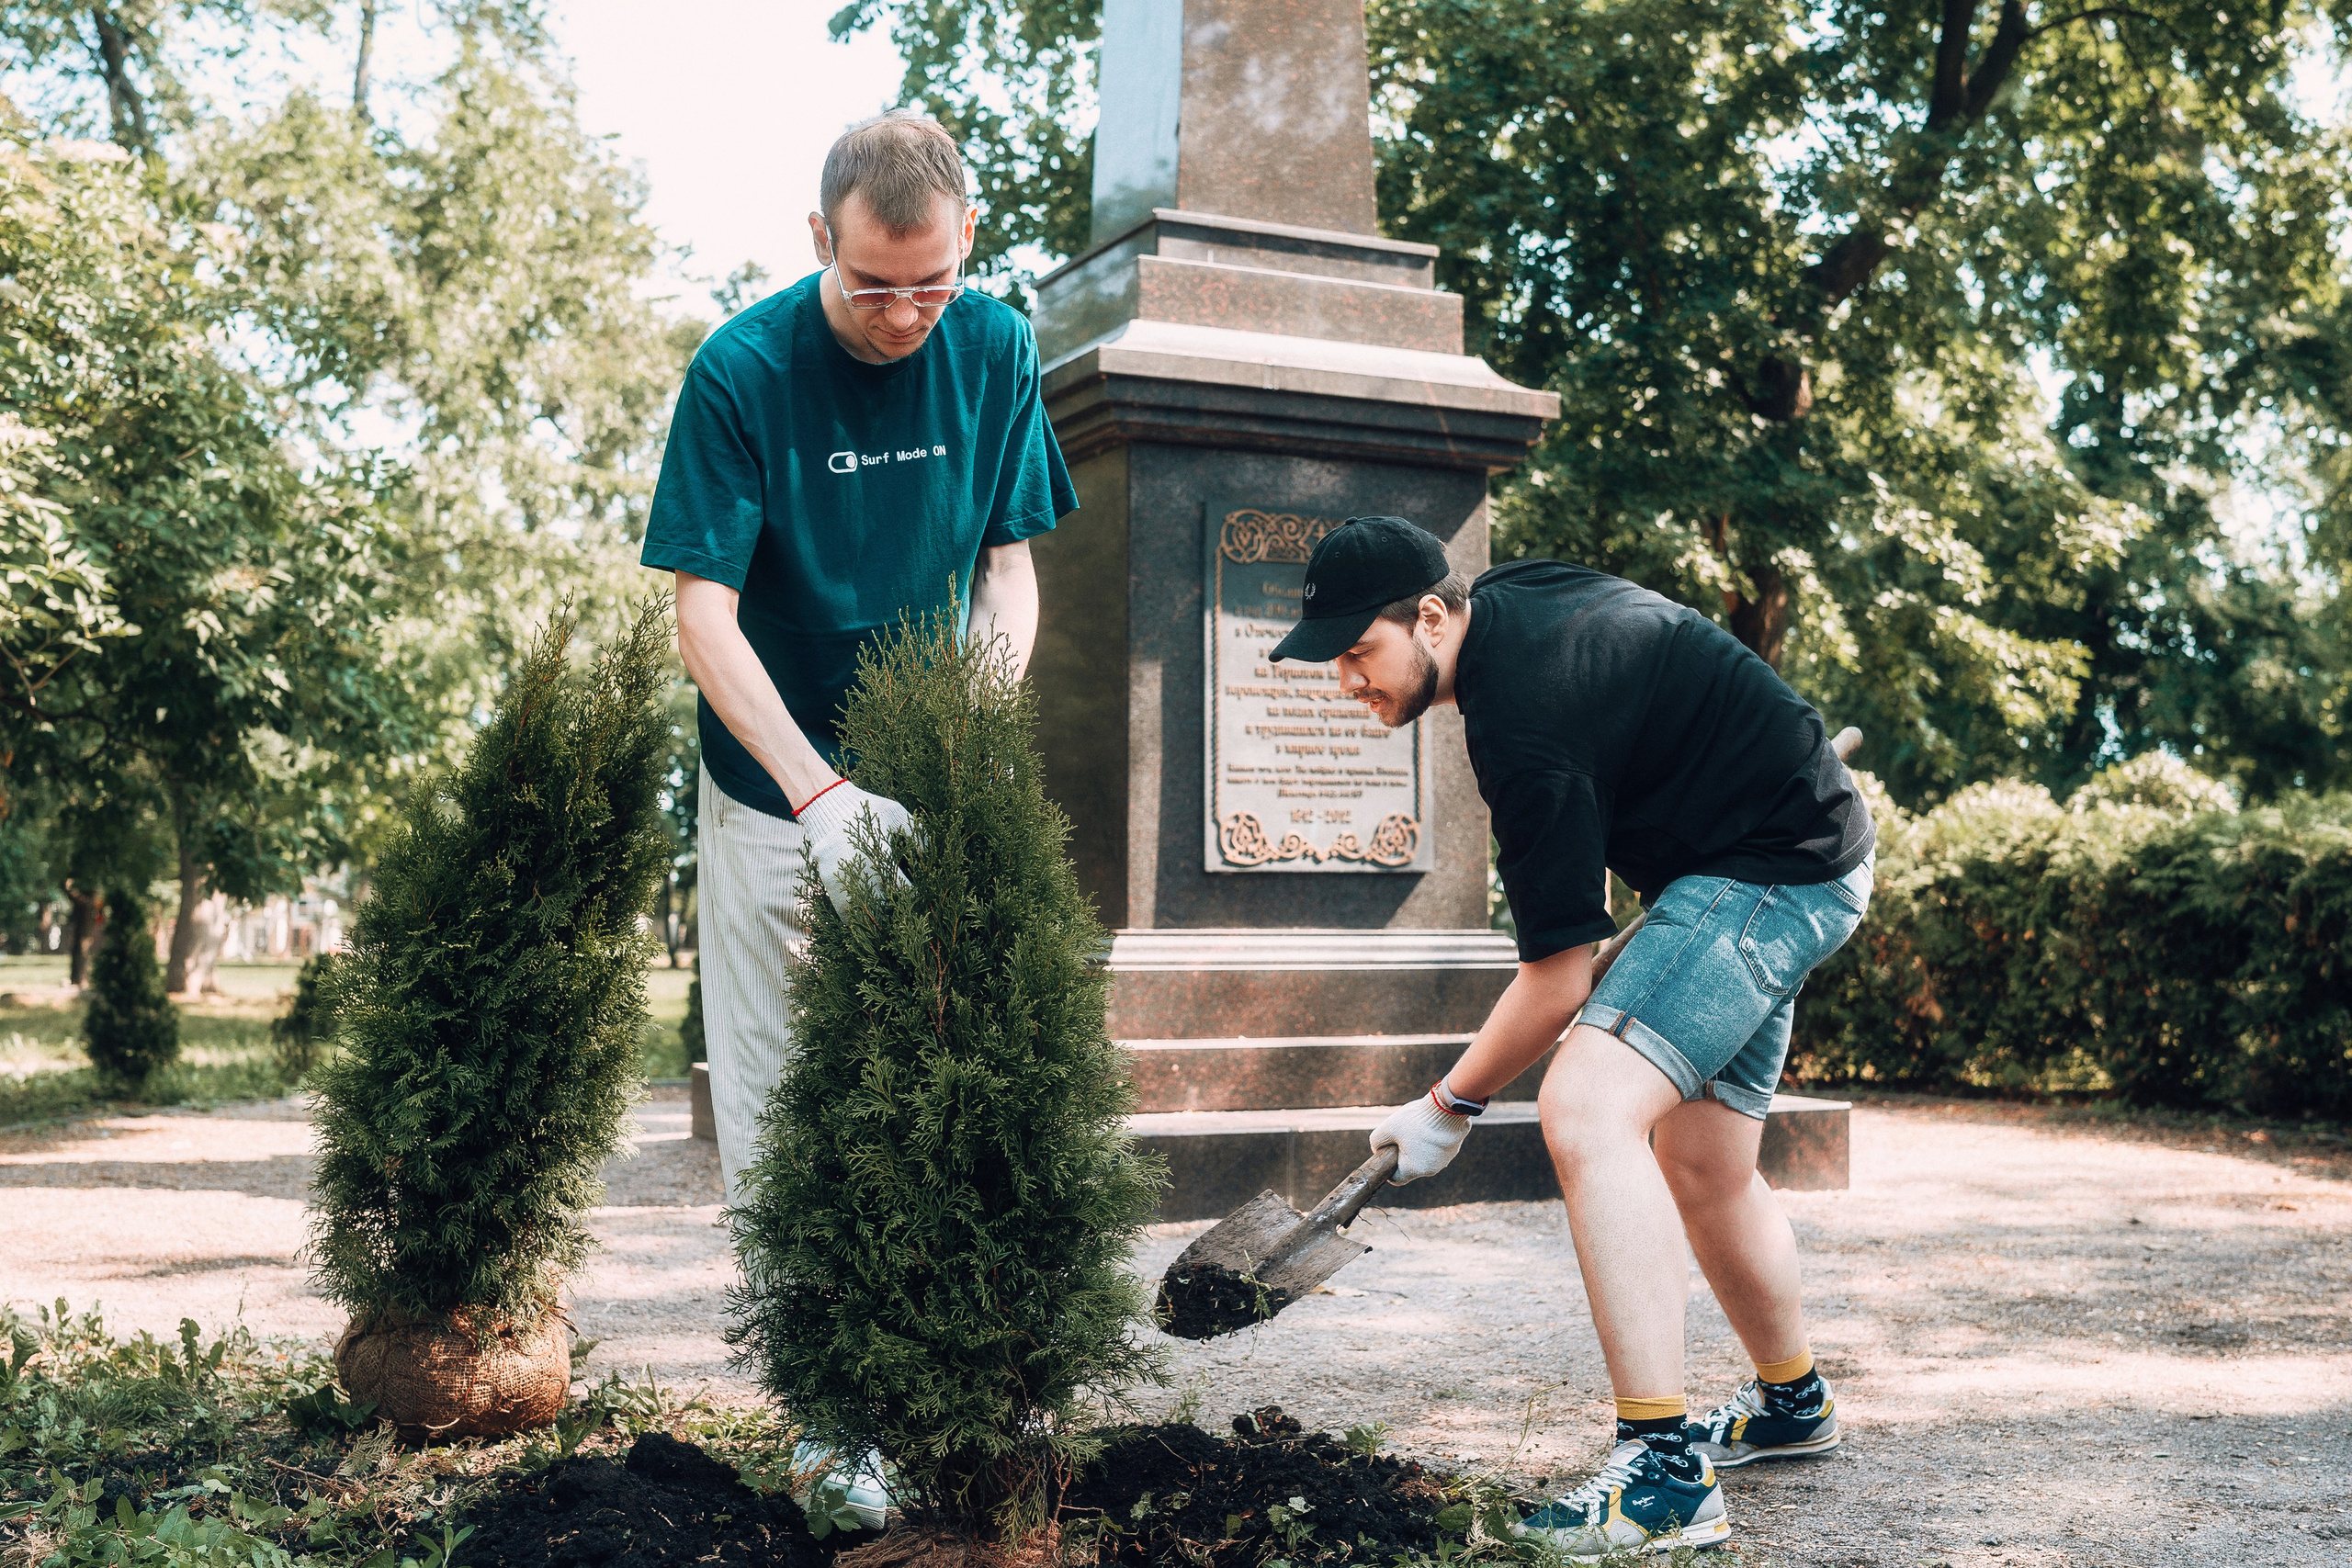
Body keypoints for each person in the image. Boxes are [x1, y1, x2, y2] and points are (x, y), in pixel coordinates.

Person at [1268, 517, 1874, 1561]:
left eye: (1357, 653)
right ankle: (1791, 1402)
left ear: (1427, 617)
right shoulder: (1510, 602)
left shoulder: (1519, 722)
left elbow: (1554, 982)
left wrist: (1447, 1106)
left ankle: (1662, 1480)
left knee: (1587, 1106)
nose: (1346, 683)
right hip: (1787, 845)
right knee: (1704, 1159)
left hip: (1765, 872)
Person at [639, 109, 1075, 1526]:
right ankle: (832, 1417)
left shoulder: (996, 346)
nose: (903, 315)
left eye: (931, 283)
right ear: (819, 236)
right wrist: (819, 792)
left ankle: (963, 1380)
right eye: (875, 283)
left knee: (952, 1066)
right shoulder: (743, 369)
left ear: (966, 252)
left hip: (931, 766)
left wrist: (970, 728)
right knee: (783, 1099)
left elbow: (1008, 570)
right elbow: (703, 611)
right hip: (775, 780)